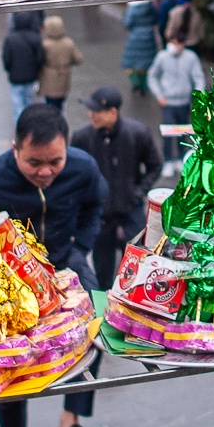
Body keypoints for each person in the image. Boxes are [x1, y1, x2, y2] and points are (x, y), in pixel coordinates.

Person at [0, 102, 107, 427]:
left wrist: (82, 248)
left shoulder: (83, 167)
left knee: (97, 328)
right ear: (14, 148)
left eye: (55, 162)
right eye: (34, 163)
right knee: (11, 367)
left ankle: (71, 420)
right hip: (11, 285)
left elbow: (96, 203)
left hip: (67, 262)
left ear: (66, 149)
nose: (45, 172)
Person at [69, 86, 162, 288]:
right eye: (90, 110)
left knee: (137, 272)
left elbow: (155, 165)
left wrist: (138, 192)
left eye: (96, 111)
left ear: (113, 112)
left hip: (131, 212)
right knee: (102, 276)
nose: (91, 115)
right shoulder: (82, 137)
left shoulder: (137, 133)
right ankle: (104, 316)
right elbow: (72, 174)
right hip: (100, 218)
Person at [148, 32, 208, 171]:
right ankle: (168, 160)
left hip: (184, 102)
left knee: (183, 132)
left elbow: (198, 77)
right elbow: (153, 76)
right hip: (167, 102)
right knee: (168, 131)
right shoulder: (162, 57)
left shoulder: (191, 58)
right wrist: (159, 94)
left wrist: (198, 96)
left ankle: (181, 158)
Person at [2, 11, 45, 124]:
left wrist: (9, 70)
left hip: (15, 78)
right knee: (29, 103)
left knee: (17, 106)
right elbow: (40, 58)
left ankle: (19, 128)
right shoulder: (35, 38)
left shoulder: (10, 39)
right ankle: (29, 125)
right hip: (31, 77)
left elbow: (6, 59)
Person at [38, 14, 83, 110]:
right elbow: (78, 59)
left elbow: (39, 61)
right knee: (61, 105)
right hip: (64, 78)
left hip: (48, 79)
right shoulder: (68, 43)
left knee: (50, 105)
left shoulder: (45, 44)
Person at [121, 0, 159, 95]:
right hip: (149, 36)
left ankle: (136, 84)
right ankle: (145, 85)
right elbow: (156, 19)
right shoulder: (151, 6)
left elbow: (127, 23)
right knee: (147, 62)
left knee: (133, 62)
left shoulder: (132, 8)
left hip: (135, 37)